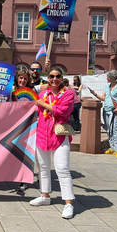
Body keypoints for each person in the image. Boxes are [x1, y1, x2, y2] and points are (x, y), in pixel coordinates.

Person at [30, 67, 75, 219]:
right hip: (42, 134)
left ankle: (68, 203)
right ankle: (45, 196)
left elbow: (62, 111)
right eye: (51, 76)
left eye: (57, 76)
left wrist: (43, 104)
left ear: (62, 78)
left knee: (62, 168)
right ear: (47, 78)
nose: (54, 79)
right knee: (43, 167)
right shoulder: (43, 94)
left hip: (60, 136)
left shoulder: (68, 93)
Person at [89, 70, 117, 159]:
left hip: (115, 110)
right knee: (108, 129)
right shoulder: (107, 86)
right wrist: (95, 94)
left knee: (115, 129)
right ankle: (112, 147)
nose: (106, 78)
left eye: (108, 77)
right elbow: (103, 98)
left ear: (112, 78)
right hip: (106, 109)